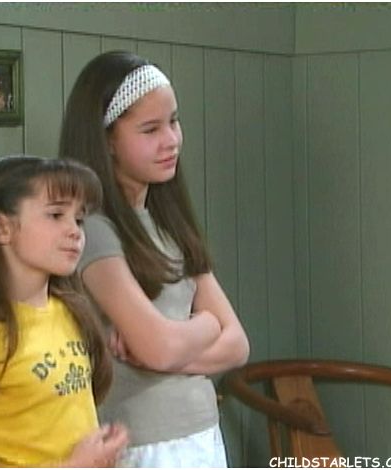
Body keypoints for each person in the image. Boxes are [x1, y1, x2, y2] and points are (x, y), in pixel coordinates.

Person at [58, 50, 250, 467]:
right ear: (107, 140)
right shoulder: (94, 230)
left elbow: (237, 345)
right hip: (143, 444)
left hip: (203, 434)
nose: (171, 140)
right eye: (150, 129)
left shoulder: (170, 222)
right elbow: (163, 347)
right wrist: (206, 326)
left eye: (174, 121)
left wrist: (167, 350)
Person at [0, 155, 129, 467]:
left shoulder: (72, 313)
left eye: (79, 219)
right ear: (2, 227)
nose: (74, 231)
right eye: (56, 214)